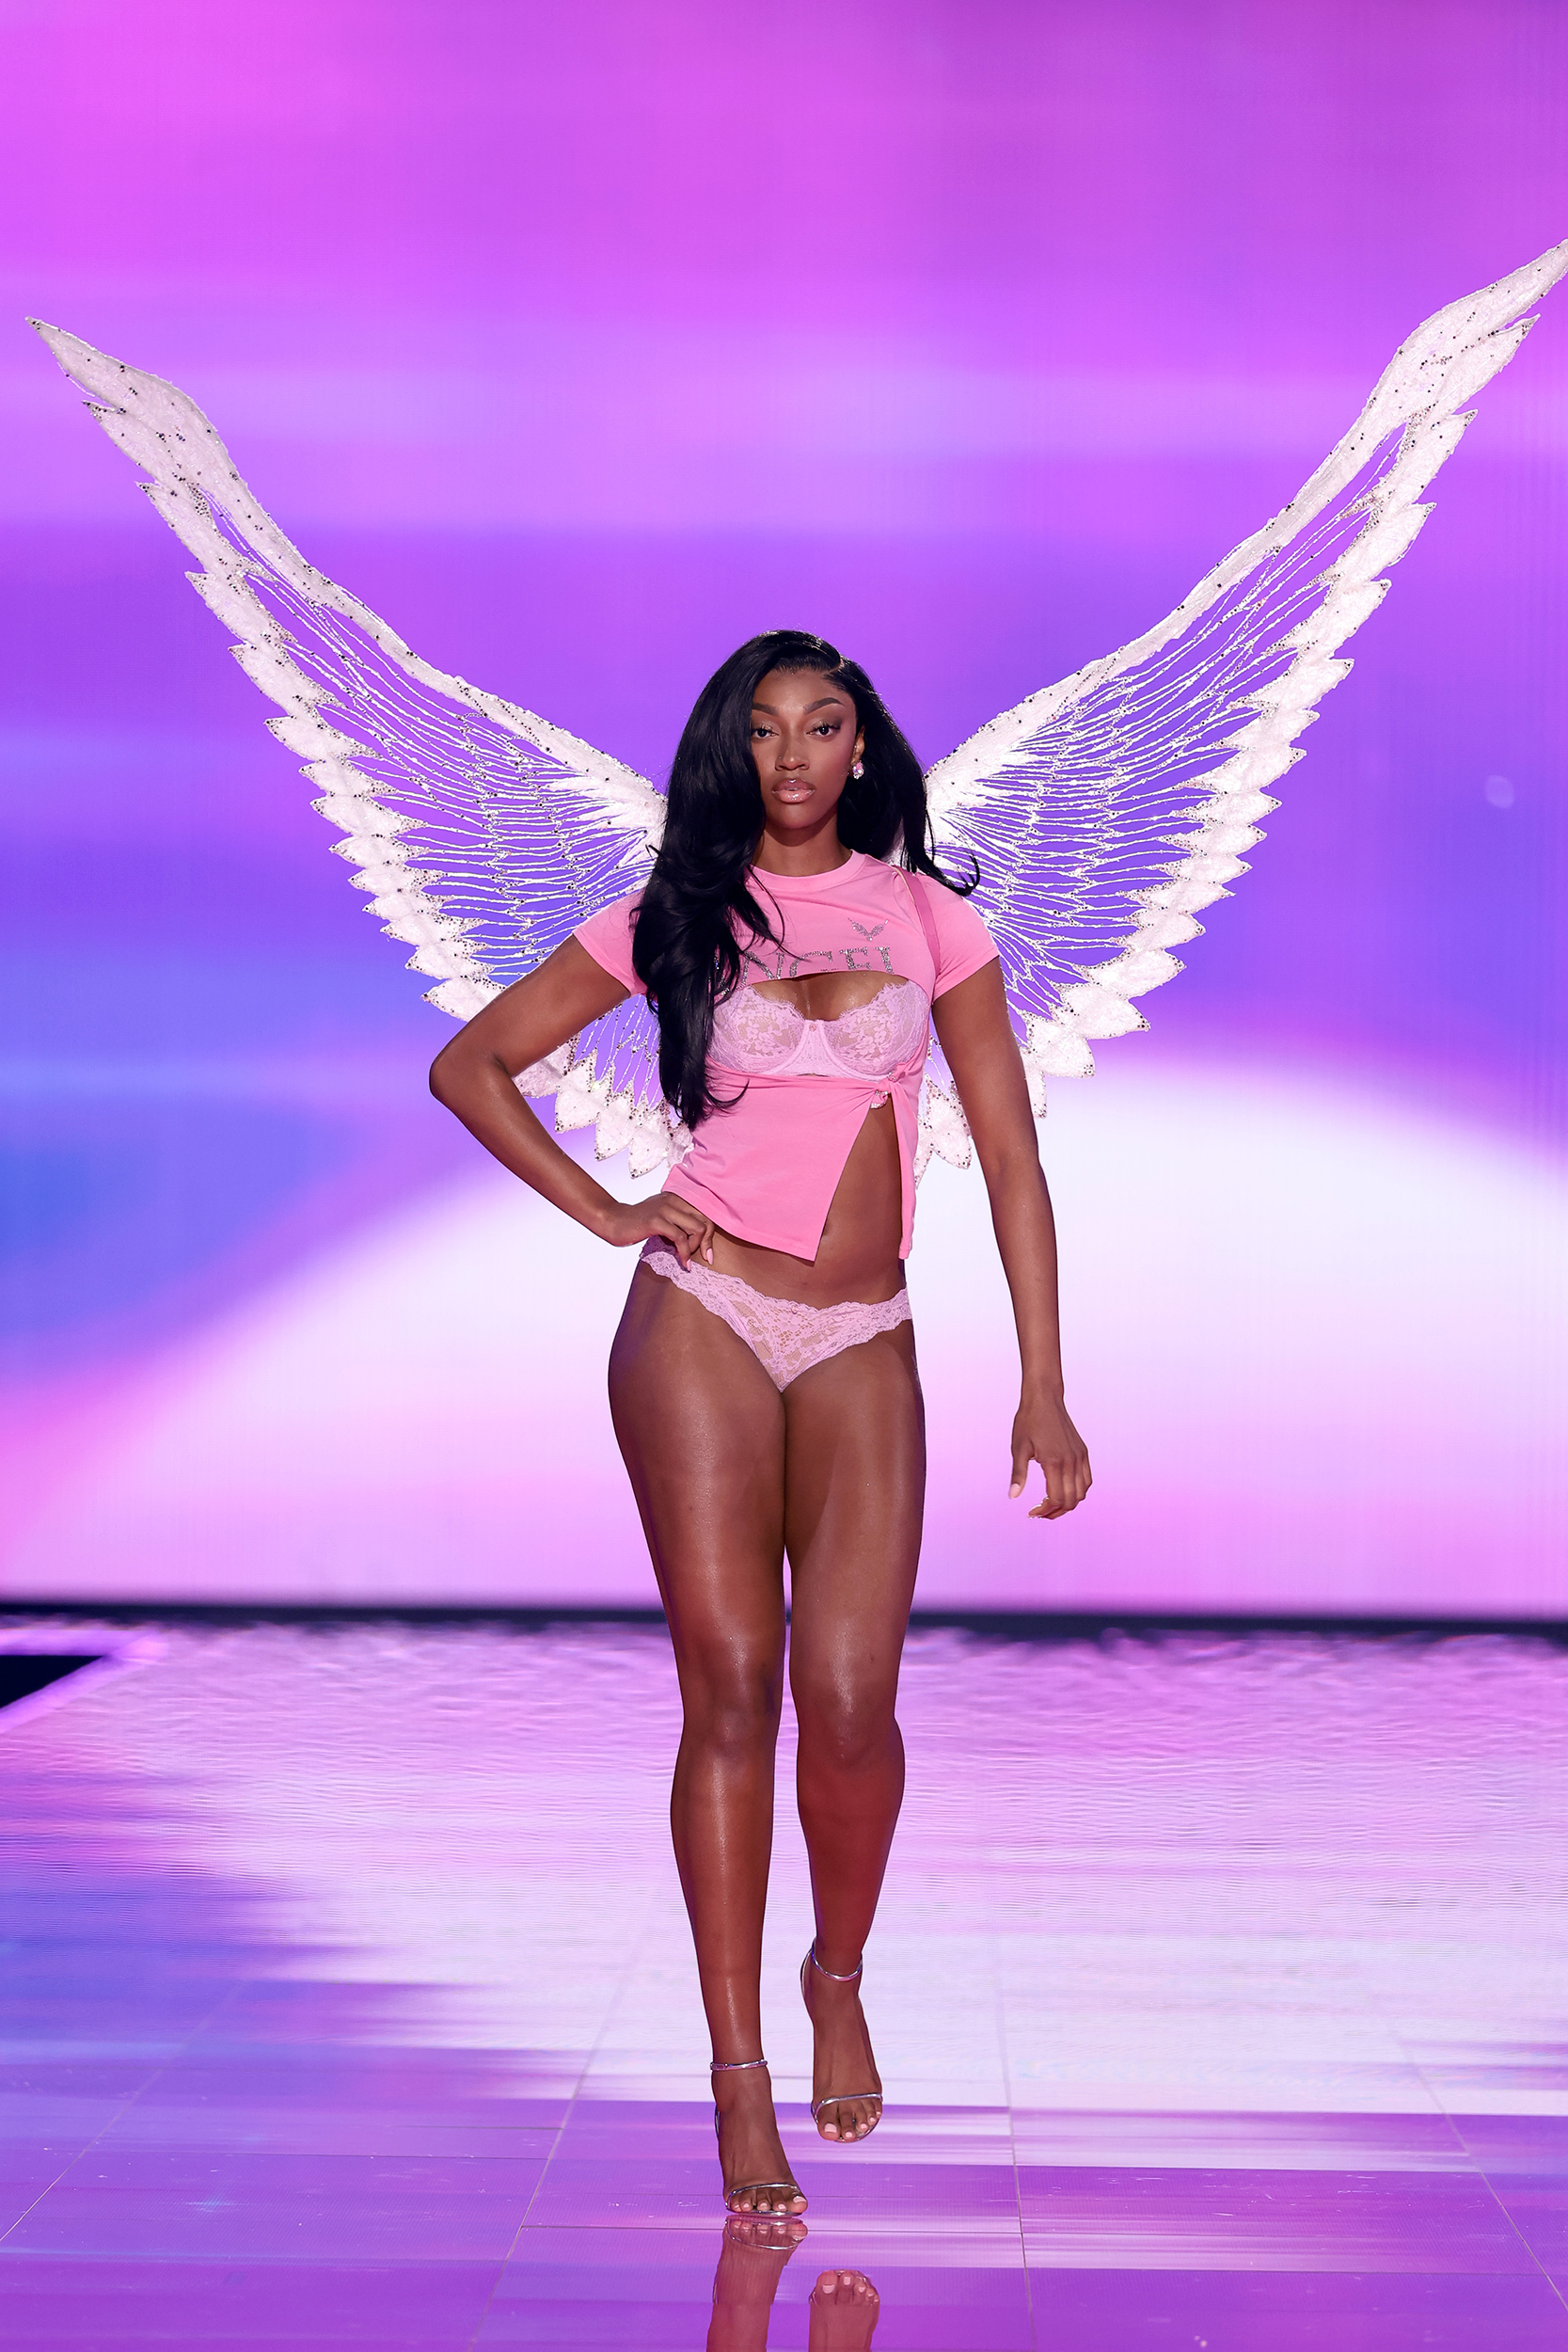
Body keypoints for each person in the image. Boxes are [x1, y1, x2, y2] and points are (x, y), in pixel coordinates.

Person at [430, 630, 1091, 2216]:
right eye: (766, 729)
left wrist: (1045, 1381)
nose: (794, 754)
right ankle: (736, 2080)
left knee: (851, 1702)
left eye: (823, 725)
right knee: (730, 1693)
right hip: (703, 1319)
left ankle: (836, 1973)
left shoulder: (930, 919)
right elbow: (473, 1064)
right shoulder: (673, 910)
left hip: (865, 1334)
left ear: (862, 747)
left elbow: (1011, 1157)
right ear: (733, 750)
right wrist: (609, 1211)